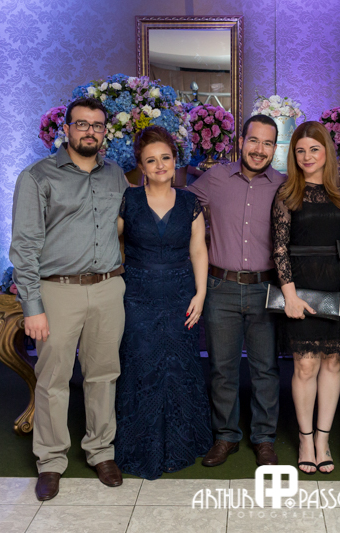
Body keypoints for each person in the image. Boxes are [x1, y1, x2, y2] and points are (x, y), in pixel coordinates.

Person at [9, 97, 129, 501]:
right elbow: (24, 247)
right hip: (57, 290)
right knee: (54, 378)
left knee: (104, 374)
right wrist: (32, 307)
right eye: (82, 124)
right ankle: (50, 459)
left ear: (104, 132)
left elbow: (125, 226)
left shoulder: (115, 175)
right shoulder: (37, 177)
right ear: (66, 129)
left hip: (108, 287)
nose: (90, 131)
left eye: (97, 125)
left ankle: (101, 450)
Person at [187, 115, 286, 467]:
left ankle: (264, 439)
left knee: (265, 369)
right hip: (221, 287)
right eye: (254, 140)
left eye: (268, 143)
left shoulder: (284, 186)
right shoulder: (215, 178)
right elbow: (178, 206)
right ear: (241, 142)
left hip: (266, 288)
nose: (260, 149)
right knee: (222, 367)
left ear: (275, 148)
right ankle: (226, 436)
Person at [114, 126, 212, 479]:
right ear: (140, 166)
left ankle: (181, 444)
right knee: (140, 366)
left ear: (175, 161)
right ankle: (140, 447)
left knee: (180, 367)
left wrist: (200, 294)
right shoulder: (128, 201)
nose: (160, 166)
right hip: (137, 296)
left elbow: (198, 250)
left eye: (165, 158)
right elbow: (108, 242)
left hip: (180, 294)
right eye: (151, 160)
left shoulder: (189, 202)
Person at [271, 121, 340, 475]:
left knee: (333, 363)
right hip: (301, 288)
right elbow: (279, 247)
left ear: (327, 151)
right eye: (300, 150)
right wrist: (289, 296)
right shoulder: (286, 193)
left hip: (339, 285)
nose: (307, 156)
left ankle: (323, 440)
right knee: (305, 365)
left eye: (314, 149)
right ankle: (305, 439)